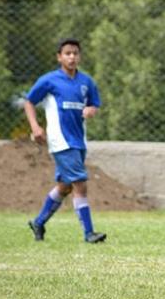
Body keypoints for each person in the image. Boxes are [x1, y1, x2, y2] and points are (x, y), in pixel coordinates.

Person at [25, 38, 106, 244]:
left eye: (75, 53)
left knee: (65, 186)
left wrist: (91, 110)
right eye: (67, 53)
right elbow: (29, 102)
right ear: (59, 57)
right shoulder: (49, 80)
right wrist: (35, 127)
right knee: (80, 183)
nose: (72, 57)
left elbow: (94, 104)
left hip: (79, 140)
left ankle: (39, 222)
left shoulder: (86, 82)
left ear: (80, 56)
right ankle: (89, 233)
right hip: (60, 140)